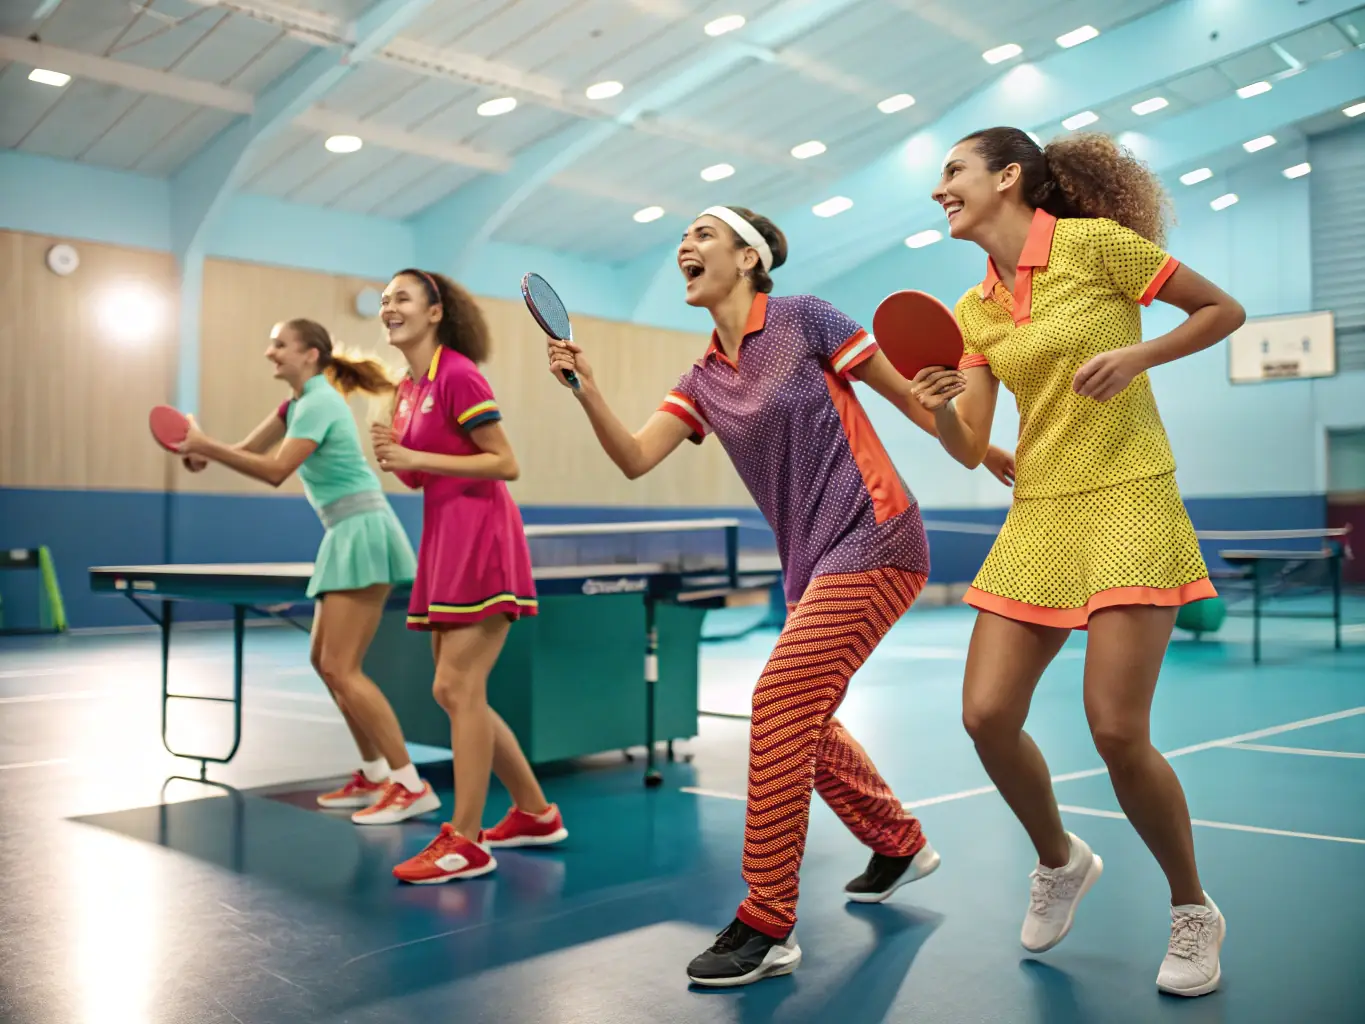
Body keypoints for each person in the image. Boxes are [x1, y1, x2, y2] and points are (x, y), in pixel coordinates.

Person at [545, 205, 1017, 987]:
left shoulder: (806, 320)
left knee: (777, 705)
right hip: (810, 563)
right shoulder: (701, 377)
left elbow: (905, 399)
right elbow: (633, 458)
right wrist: (585, 389)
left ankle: (766, 920)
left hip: (877, 533)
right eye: (684, 238)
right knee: (804, 714)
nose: (684, 247)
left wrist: (982, 442)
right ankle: (896, 841)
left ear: (748, 257)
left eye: (702, 235)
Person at [912, 127, 1246, 997]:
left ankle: (1191, 908)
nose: (940, 188)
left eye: (954, 172)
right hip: (1038, 514)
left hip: (1130, 496)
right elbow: (969, 444)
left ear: (1009, 177)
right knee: (985, 715)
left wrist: (1140, 353)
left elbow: (1221, 311)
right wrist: (941, 406)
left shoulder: (1095, 246)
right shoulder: (973, 309)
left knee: (1114, 730)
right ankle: (1060, 859)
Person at [176, 318, 439, 823]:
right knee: (326, 664)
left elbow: (275, 471)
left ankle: (410, 784)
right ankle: (375, 773)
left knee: (344, 667)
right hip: (343, 532)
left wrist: (206, 445)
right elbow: (249, 452)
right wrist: (200, 452)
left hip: (363, 531)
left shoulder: (319, 403)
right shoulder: (295, 405)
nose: (270, 352)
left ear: (310, 355)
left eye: (280, 345)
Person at [370, 267, 568, 885]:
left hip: (482, 538)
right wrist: (396, 457)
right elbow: (426, 474)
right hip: (443, 539)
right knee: (456, 691)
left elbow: (504, 462)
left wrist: (414, 455)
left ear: (435, 312)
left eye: (401, 297)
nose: (388, 307)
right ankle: (534, 814)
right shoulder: (407, 388)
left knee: (458, 688)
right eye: (383, 300)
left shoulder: (457, 372)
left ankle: (464, 839)